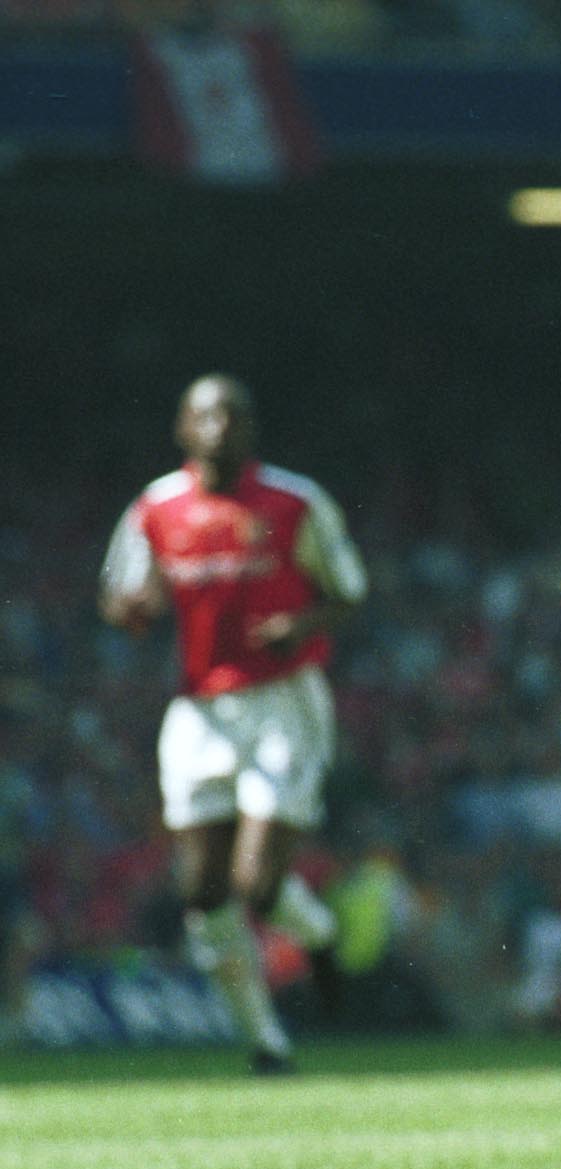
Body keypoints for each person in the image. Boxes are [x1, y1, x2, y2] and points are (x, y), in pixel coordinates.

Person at [99, 374, 367, 1075]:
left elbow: (348, 590)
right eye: (205, 415)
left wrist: (301, 623)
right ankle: (266, 1044)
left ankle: (320, 934)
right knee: (203, 892)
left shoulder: (294, 502)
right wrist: (129, 610)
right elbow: (121, 594)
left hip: (282, 701)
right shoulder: (156, 509)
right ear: (182, 429)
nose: (220, 426)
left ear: (250, 429)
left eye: (233, 415)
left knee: (258, 884)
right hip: (199, 710)